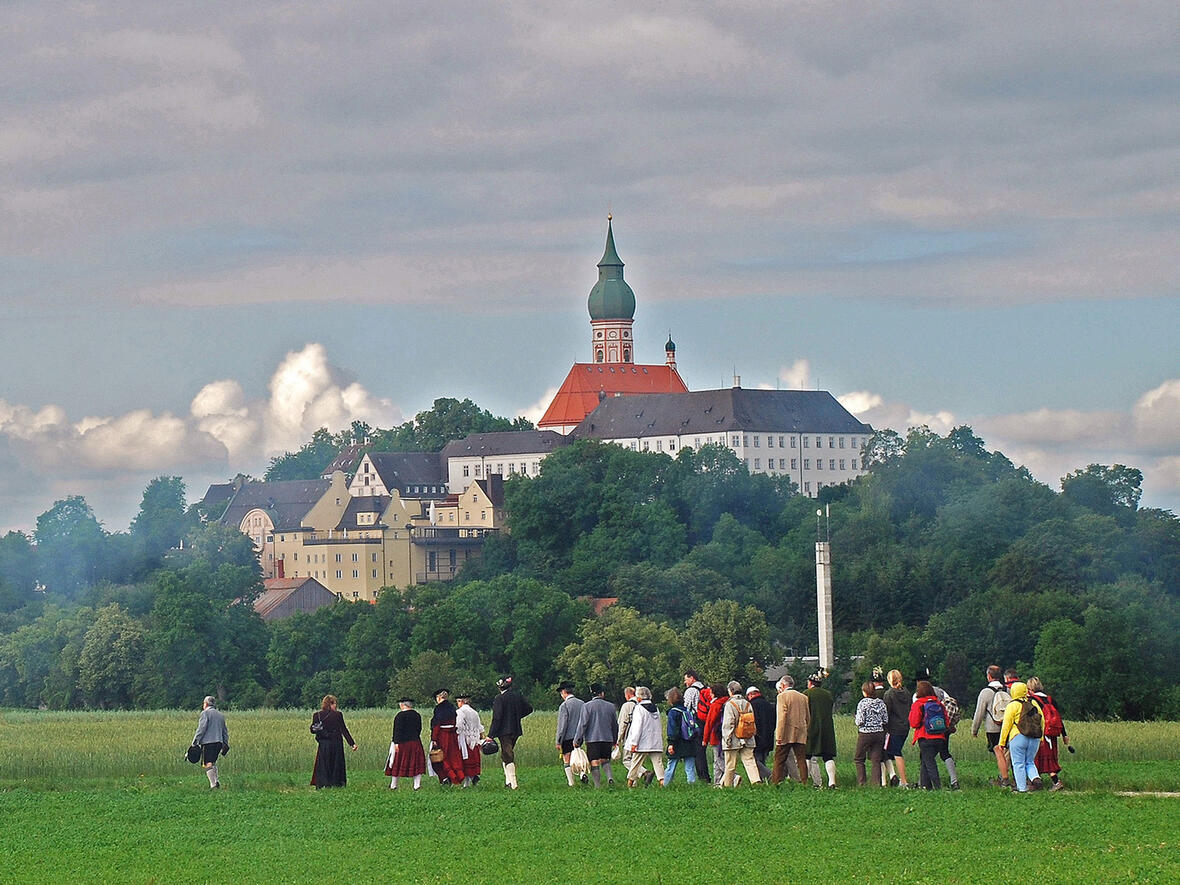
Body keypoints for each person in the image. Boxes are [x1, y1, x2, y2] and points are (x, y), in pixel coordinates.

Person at [912, 668, 960, 790]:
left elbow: (915, 722)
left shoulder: (917, 699)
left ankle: (935, 787)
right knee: (944, 754)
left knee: (928, 760)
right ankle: (951, 781)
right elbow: (949, 708)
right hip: (942, 732)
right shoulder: (941, 693)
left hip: (925, 734)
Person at [998, 681, 1044, 793]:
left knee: (1018, 764)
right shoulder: (1033, 703)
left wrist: (1002, 743)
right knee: (1030, 762)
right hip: (1034, 738)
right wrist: (1041, 738)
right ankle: (1035, 777)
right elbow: (1042, 720)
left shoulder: (1012, 705)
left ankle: (1022, 789)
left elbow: (1006, 725)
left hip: (1017, 737)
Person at [971, 664, 1012, 788]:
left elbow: (979, 713)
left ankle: (1004, 779)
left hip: (992, 728)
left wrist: (974, 730)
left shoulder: (985, 692)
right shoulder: (1007, 690)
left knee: (998, 752)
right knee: (1006, 752)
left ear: (989, 676)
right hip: (1007, 726)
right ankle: (1006, 776)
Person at [488, 675, 532, 789]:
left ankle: (513, 784)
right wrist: (517, 717)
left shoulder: (499, 699)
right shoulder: (518, 697)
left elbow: (497, 718)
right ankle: (508, 781)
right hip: (516, 729)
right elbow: (529, 709)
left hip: (504, 731)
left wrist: (490, 735)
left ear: (499, 687)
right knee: (506, 754)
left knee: (508, 755)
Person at [1027, 677, 1069, 791]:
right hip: (1052, 733)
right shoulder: (1050, 699)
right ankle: (1045, 782)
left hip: (1040, 733)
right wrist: (1064, 734)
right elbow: (1058, 718)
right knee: (1050, 757)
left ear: (1030, 688)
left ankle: (1050, 782)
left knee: (1036, 758)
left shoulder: (1032, 700)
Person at [574, 683, 618, 787]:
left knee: (594, 761)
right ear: (602, 693)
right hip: (607, 738)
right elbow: (615, 725)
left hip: (592, 738)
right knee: (605, 760)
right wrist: (615, 739)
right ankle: (610, 778)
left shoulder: (587, 706)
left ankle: (597, 785)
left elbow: (583, 724)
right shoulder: (611, 706)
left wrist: (577, 739)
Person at [908, 680, 949, 789]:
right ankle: (925, 786)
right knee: (925, 761)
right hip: (940, 737)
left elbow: (914, 723)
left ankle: (937, 787)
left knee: (929, 762)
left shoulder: (918, 704)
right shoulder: (939, 704)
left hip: (925, 737)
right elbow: (946, 721)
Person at [720, 681, 761, 787]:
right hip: (747, 736)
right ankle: (756, 781)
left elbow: (728, 724)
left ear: (730, 691)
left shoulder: (730, 704)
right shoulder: (748, 703)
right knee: (750, 760)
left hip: (733, 738)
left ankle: (728, 785)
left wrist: (727, 739)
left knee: (730, 764)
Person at [311, 694, 356, 789]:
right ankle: (336, 783)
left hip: (323, 743)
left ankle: (323, 783)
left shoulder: (317, 715)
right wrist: (352, 743)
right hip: (336, 743)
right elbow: (343, 729)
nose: (336, 706)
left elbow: (313, 730)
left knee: (323, 764)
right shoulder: (338, 715)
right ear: (331, 704)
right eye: (335, 703)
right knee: (336, 764)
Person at [771, 674, 809, 785]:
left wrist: (779, 735)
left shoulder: (782, 697)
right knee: (801, 759)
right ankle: (804, 782)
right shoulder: (803, 697)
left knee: (779, 759)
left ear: (783, 685)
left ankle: (776, 782)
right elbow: (808, 717)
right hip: (801, 732)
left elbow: (782, 717)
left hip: (786, 733)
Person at [624, 686, 664, 786]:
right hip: (655, 741)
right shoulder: (656, 708)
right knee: (658, 763)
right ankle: (663, 783)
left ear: (639, 697)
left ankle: (630, 784)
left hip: (642, 742)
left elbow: (637, 727)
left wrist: (634, 743)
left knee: (635, 763)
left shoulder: (639, 708)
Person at [804, 670, 837, 789]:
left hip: (811, 728)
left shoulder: (806, 694)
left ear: (810, 683)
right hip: (827, 728)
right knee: (828, 756)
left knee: (807, 754)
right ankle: (832, 782)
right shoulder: (828, 694)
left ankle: (805, 782)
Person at [882, 670, 913, 788]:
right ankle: (892, 777)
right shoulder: (906, 693)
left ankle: (903, 781)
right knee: (892, 751)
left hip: (893, 727)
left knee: (895, 752)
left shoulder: (889, 694)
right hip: (905, 726)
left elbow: (886, 712)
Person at [853, 681, 888, 787]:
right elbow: (885, 720)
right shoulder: (881, 703)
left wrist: (856, 719)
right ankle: (876, 783)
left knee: (859, 758)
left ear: (865, 692)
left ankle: (862, 782)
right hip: (879, 733)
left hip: (865, 733)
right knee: (876, 759)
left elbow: (860, 721)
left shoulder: (863, 703)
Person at [386, 697, 425, 791]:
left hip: (402, 743)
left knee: (396, 763)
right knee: (416, 764)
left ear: (403, 705)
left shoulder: (400, 716)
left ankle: (393, 785)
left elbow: (397, 731)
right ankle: (417, 785)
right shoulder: (417, 715)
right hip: (415, 741)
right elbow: (419, 729)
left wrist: (396, 743)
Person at [191, 695, 229, 790]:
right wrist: (225, 743)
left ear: (206, 704)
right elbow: (224, 731)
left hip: (208, 742)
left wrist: (195, 742)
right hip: (219, 742)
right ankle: (216, 781)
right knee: (213, 762)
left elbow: (201, 728)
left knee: (207, 763)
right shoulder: (220, 715)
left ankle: (213, 785)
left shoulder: (205, 713)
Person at [430, 688, 465, 786]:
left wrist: (434, 738)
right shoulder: (452, 707)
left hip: (442, 735)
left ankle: (446, 777)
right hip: (452, 735)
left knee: (440, 757)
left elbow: (437, 724)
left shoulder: (438, 708)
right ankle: (455, 776)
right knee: (452, 757)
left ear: (439, 697)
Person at [663, 687, 698, 785]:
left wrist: (671, 743)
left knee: (671, 765)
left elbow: (672, 729)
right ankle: (692, 784)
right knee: (690, 767)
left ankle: (666, 785)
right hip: (689, 741)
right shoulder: (687, 710)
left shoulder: (673, 712)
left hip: (677, 742)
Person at [682, 670, 712, 784]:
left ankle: (704, 778)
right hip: (707, 722)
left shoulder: (690, 691)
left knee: (698, 751)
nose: (685, 682)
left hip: (696, 723)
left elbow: (686, 708)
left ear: (692, 678)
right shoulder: (705, 689)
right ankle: (708, 776)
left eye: (686, 679)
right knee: (703, 749)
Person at [555, 682, 587, 786]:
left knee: (567, 758)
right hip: (579, 735)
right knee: (578, 755)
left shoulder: (564, 706)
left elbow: (562, 725)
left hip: (567, 736)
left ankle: (571, 782)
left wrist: (558, 740)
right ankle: (582, 773)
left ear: (564, 692)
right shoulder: (582, 703)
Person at [455, 691, 485, 787]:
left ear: (461, 702)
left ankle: (469, 780)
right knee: (471, 761)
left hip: (465, 739)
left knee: (465, 761)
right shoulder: (474, 712)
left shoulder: (460, 712)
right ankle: (469, 781)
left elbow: (458, 725)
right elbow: (479, 727)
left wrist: (456, 734)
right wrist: (481, 737)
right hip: (474, 740)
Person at [747, 685, 775, 783]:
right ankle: (762, 780)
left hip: (757, 736)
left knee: (754, 760)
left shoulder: (751, 705)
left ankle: (769, 775)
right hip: (769, 736)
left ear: (750, 695)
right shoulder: (768, 704)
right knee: (762, 759)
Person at [703, 682, 728, 785]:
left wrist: (705, 739)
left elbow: (709, 722)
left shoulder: (715, 705)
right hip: (726, 735)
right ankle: (717, 783)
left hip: (716, 736)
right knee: (717, 760)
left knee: (718, 760)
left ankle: (733, 776)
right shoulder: (728, 702)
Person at [617, 686, 638, 774]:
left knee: (627, 760)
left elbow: (622, 723)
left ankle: (643, 773)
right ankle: (634, 782)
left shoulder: (627, 705)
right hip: (641, 735)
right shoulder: (641, 704)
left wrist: (618, 738)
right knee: (636, 759)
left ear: (628, 695)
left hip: (629, 735)